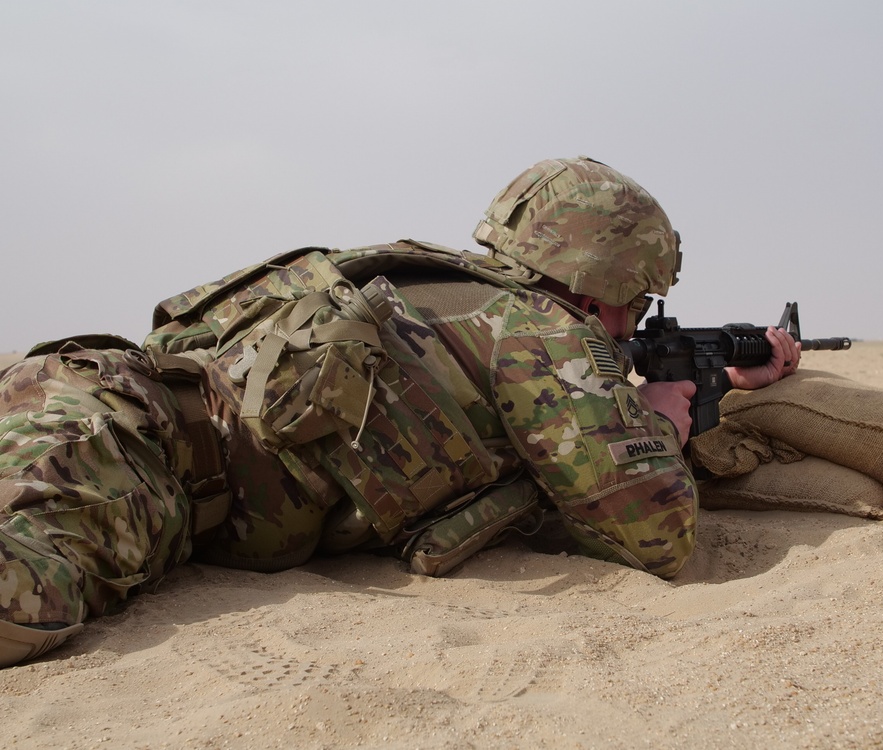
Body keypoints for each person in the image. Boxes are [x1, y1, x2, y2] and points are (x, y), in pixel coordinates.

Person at [0, 156, 800, 667]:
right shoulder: (547, 337)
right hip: (123, 458)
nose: (632, 324)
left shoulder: (424, 281)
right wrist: (658, 420)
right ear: (600, 289)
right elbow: (657, 535)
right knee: (18, 607)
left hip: (82, 390)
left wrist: (712, 375)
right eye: (636, 305)